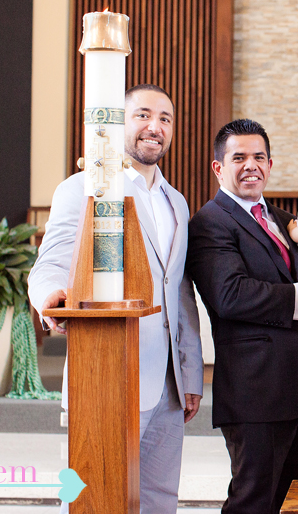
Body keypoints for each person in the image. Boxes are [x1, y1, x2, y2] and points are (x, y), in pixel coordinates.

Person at [28, 84, 204, 514]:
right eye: (143, 115)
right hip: (106, 371)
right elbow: (49, 264)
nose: (155, 126)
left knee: (160, 500)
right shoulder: (84, 187)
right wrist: (53, 300)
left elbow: (179, 292)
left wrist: (191, 372)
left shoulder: (177, 203)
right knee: (101, 500)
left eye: (165, 119)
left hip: (167, 383)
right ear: (119, 123)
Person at [186, 119, 298, 514]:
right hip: (254, 389)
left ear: (270, 163)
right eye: (239, 157)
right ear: (218, 167)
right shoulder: (210, 222)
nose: (251, 165)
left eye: (258, 157)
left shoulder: (282, 219)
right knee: (253, 500)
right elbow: (230, 295)